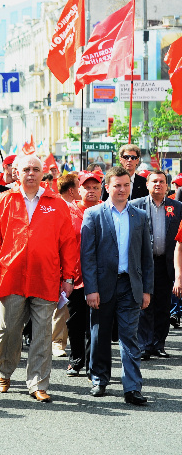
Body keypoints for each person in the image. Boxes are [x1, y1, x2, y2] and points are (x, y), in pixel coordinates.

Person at [0, 155, 78, 402]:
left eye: (35, 169)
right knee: (8, 329)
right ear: (15, 173)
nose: (30, 173)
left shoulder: (56, 203)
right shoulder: (3, 201)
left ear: (42, 173)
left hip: (46, 277)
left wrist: (69, 277)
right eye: (26, 169)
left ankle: (38, 382)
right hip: (11, 276)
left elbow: (68, 243)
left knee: (42, 333)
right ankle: (4, 370)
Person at [81, 166, 153, 405]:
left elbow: (146, 257)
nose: (122, 189)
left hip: (130, 286)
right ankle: (99, 380)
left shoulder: (140, 216)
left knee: (129, 337)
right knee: (99, 335)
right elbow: (87, 256)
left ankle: (132, 387)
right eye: (117, 185)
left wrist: (146, 290)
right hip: (102, 287)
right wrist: (91, 288)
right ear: (107, 187)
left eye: (126, 185)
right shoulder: (93, 214)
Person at [130, 169, 181, 360]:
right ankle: (145, 345)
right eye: (154, 181)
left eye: (162, 181)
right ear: (147, 185)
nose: (158, 184)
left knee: (163, 306)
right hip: (144, 263)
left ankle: (159, 343)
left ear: (167, 186)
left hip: (167, 263)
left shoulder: (177, 207)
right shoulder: (135, 205)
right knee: (145, 305)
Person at [51, 173, 82, 358]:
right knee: (60, 306)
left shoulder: (77, 208)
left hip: (75, 265)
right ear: (71, 190)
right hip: (60, 265)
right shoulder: (59, 208)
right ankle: (57, 342)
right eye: (79, 186)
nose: (81, 190)